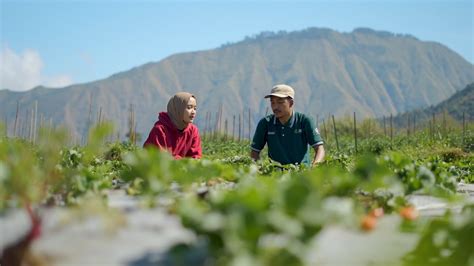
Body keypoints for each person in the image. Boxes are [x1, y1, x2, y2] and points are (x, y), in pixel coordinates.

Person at [250, 84, 325, 167]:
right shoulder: (265, 123)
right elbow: (254, 152)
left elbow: (319, 149)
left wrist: (314, 168)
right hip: (275, 175)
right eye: (272, 102)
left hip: (301, 173)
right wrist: (260, 169)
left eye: (280, 102)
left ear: (291, 103)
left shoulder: (304, 121)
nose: (275, 107)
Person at [143, 92, 202, 159]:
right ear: (178, 109)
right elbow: (162, 159)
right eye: (189, 107)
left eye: (195, 108)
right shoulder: (160, 130)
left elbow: (196, 156)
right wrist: (184, 162)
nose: (193, 112)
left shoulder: (193, 130)